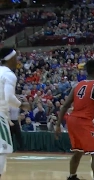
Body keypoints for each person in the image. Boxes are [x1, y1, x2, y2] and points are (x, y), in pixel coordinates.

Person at [55, 60, 94, 180]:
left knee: (78, 151)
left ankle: (72, 176)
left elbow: (65, 106)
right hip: (83, 121)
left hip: (72, 120)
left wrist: (58, 125)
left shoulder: (77, 85)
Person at [0, 47, 29, 178]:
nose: (17, 59)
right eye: (16, 57)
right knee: (2, 150)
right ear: (10, 58)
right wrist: (21, 104)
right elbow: (8, 97)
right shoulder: (8, 74)